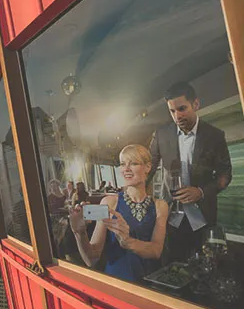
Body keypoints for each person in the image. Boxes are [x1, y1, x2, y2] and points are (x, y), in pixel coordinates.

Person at [148, 82, 232, 261]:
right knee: (172, 266)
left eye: (182, 108)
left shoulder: (215, 136)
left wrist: (201, 192)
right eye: (172, 111)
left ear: (196, 104)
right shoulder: (161, 135)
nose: (177, 116)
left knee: (205, 268)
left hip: (203, 218)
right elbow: (148, 168)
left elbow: (225, 174)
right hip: (170, 217)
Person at [69, 144, 169, 282]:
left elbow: (156, 250)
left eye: (133, 163)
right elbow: (91, 259)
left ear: (147, 167)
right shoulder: (108, 202)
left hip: (150, 284)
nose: (126, 169)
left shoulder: (160, 206)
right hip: (117, 282)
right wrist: (79, 233)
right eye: (122, 164)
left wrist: (128, 242)